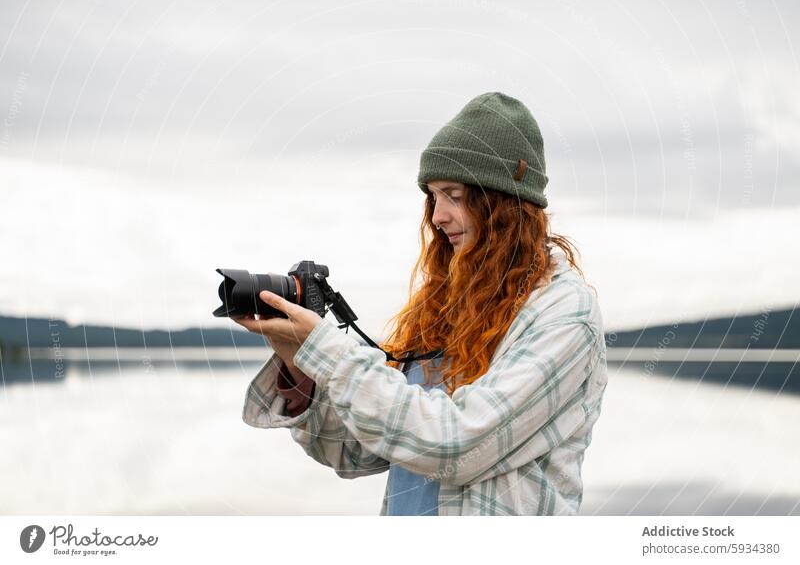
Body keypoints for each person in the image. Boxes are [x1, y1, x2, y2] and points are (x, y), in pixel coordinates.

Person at [234, 92, 608, 516]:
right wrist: (299, 363)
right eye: (433, 197)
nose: (437, 217)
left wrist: (331, 355)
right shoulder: (450, 308)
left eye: (454, 195)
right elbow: (358, 453)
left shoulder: (563, 314)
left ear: (503, 203)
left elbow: (455, 445)